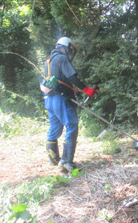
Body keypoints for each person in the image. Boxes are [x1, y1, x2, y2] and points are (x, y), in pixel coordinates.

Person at [40, 37, 98, 171]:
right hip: (61, 99)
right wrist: (86, 89)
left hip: (49, 99)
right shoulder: (61, 58)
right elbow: (71, 77)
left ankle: (53, 160)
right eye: (68, 50)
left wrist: (73, 89)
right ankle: (66, 162)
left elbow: (59, 79)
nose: (69, 53)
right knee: (71, 125)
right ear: (64, 47)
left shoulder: (48, 61)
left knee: (54, 128)